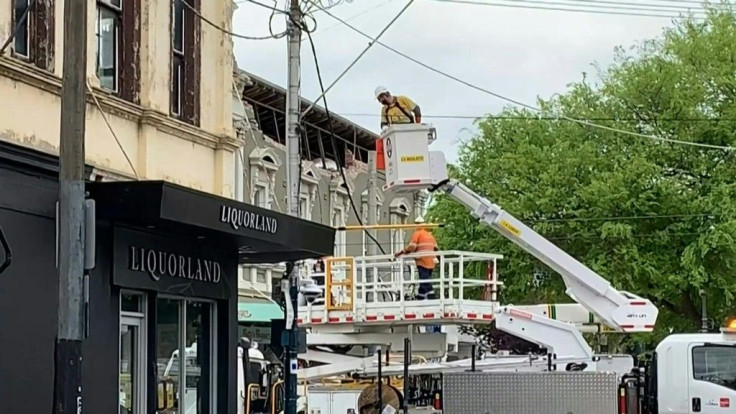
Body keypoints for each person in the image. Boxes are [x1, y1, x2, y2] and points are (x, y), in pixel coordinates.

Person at [394, 216, 437, 301]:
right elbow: (436, 248)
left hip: (422, 261)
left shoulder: (417, 234)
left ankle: (431, 295)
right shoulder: (430, 236)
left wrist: (402, 252)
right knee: (424, 279)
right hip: (431, 262)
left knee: (424, 279)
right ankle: (421, 296)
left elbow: (412, 247)